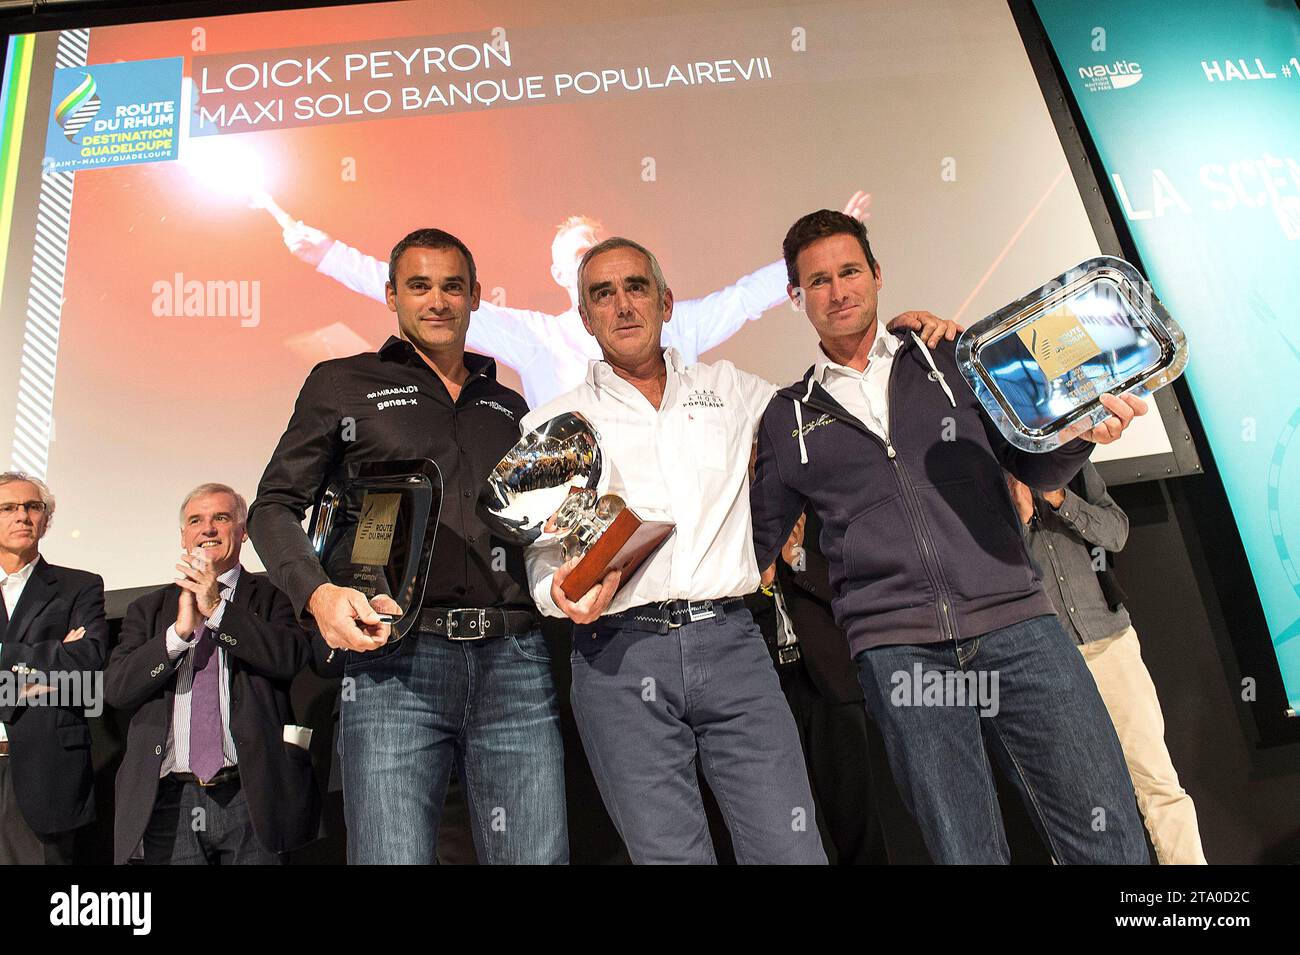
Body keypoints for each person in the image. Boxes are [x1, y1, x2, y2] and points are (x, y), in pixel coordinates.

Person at [521, 235, 954, 864]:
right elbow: (542, 560)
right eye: (601, 294)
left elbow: (832, 403)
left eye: (636, 287)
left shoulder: (734, 391)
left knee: (791, 849)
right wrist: (556, 596)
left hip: (732, 646)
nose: (621, 305)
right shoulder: (553, 423)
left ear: (667, 302)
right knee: (671, 857)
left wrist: (904, 341)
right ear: (583, 317)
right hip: (617, 658)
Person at [750, 209, 1152, 864]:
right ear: (797, 298)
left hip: (1018, 625)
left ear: (878, 275)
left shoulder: (954, 359)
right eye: (817, 281)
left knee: (1103, 833)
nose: (838, 289)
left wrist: (1081, 434)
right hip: (901, 655)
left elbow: (1033, 463)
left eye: (850, 270)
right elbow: (753, 546)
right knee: (963, 849)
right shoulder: (784, 416)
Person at [249, 228, 566, 864]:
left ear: (476, 296)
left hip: (516, 658)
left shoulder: (508, 404)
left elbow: (535, 526)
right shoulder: (341, 384)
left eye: (453, 286)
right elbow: (273, 507)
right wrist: (318, 596)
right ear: (392, 295)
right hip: (396, 660)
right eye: (419, 286)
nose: (438, 300)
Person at [281, 193, 871, 407]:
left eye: (595, 249)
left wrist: (813, 256)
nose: (588, 263)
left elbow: (743, 299)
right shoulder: (535, 336)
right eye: (574, 256)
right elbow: (433, 296)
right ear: (559, 271)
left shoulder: (674, 325)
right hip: (575, 538)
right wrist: (327, 254)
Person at [105, 484, 324, 864]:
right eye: (196, 521)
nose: (207, 529)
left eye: (220, 518)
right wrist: (178, 635)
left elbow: (289, 659)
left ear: (243, 532)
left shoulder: (274, 596)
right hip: (169, 800)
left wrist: (218, 610)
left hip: (251, 795)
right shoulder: (147, 609)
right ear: (184, 536)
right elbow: (119, 690)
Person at [1008, 463, 1207, 864]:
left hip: (1110, 639)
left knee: (1158, 782)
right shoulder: (983, 471)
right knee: (1079, 804)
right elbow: (985, 572)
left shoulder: (1069, 460)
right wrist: (1022, 519)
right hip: (1046, 658)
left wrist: (1059, 498)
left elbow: (1116, 532)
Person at [744, 507, 890, 864]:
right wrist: (760, 577)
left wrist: (797, 558)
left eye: (757, 450)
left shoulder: (810, 505)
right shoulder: (725, 522)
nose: (753, 456)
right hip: (766, 689)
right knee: (786, 826)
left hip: (828, 685)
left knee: (857, 821)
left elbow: (848, 585)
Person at [0, 470, 108, 864]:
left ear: (46, 519)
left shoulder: (78, 586)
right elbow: (64, 667)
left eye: (33, 507)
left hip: (45, 770)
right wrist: (49, 661)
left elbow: (87, 671)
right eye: (9, 508)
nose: (23, 516)